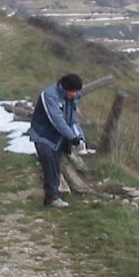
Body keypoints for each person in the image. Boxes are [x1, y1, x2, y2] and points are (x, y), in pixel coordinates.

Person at [29, 73, 85, 208]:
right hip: (43, 135)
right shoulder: (49, 96)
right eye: (74, 91)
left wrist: (80, 137)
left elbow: (73, 120)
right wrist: (72, 137)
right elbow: (57, 120)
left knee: (55, 166)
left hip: (58, 138)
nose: (75, 94)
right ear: (65, 88)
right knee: (49, 162)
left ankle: (52, 197)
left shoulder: (72, 98)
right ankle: (51, 197)